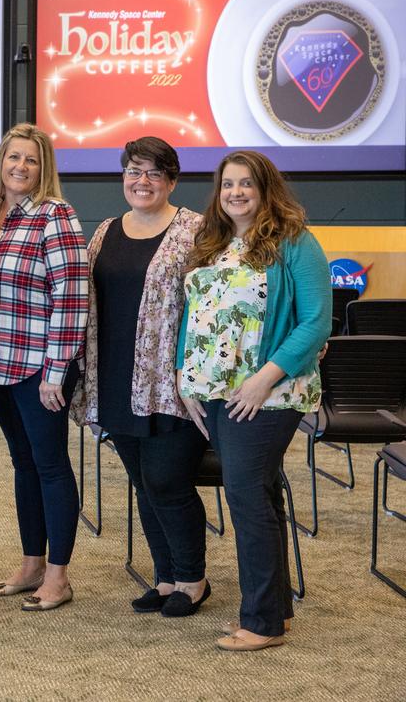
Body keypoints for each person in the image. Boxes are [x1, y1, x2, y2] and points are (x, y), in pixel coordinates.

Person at [177, 150, 330, 652]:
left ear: (267, 190)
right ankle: (275, 613)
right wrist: (185, 375)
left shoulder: (295, 243)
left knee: (245, 498)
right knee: (259, 495)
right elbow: (196, 313)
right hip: (216, 392)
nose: (235, 192)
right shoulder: (215, 243)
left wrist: (264, 379)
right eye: (227, 185)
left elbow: (314, 322)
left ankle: (261, 622)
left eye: (246, 184)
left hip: (268, 393)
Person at [70, 137, 209, 617]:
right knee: (144, 484)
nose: (142, 181)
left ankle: (192, 580)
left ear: (171, 179)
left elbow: (211, 308)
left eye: (153, 172)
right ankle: (166, 576)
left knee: (168, 481)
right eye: (133, 170)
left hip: (172, 385)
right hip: (115, 380)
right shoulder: (106, 230)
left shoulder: (197, 230)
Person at [0, 123, 88, 613]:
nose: (20, 167)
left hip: (38, 367)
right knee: (23, 465)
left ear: (44, 168)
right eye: (13, 158)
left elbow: (71, 297)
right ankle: (31, 563)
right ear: (0, 164)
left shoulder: (54, 216)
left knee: (49, 466)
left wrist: (56, 371)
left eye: (31, 160)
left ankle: (59, 576)